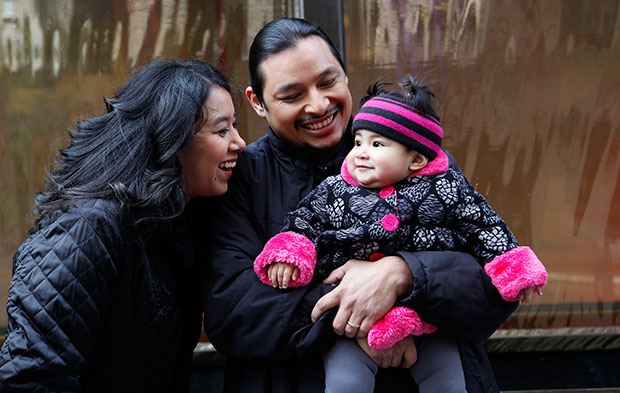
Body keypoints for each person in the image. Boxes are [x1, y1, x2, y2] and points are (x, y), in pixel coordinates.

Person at [195, 17, 517, 393]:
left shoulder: (412, 154)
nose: (318, 105)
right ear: (258, 102)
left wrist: (404, 274)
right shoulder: (240, 180)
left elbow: (494, 282)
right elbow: (233, 312)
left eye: (328, 82)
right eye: (292, 95)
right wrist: (359, 310)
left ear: (345, 76)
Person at [253, 76, 547, 392]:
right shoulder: (336, 190)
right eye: (358, 142)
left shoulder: (445, 189)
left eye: (377, 144)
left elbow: (483, 225)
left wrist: (514, 268)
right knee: (344, 382)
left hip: (427, 320)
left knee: (449, 381)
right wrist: (291, 253)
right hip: (353, 322)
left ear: (416, 159)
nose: (361, 153)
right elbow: (304, 221)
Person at [0, 59, 246, 392]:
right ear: (172, 139)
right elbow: (31, 378)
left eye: (234, 126)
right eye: (222, 130)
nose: (239, 143)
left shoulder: (178, 224)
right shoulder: (87, 230)